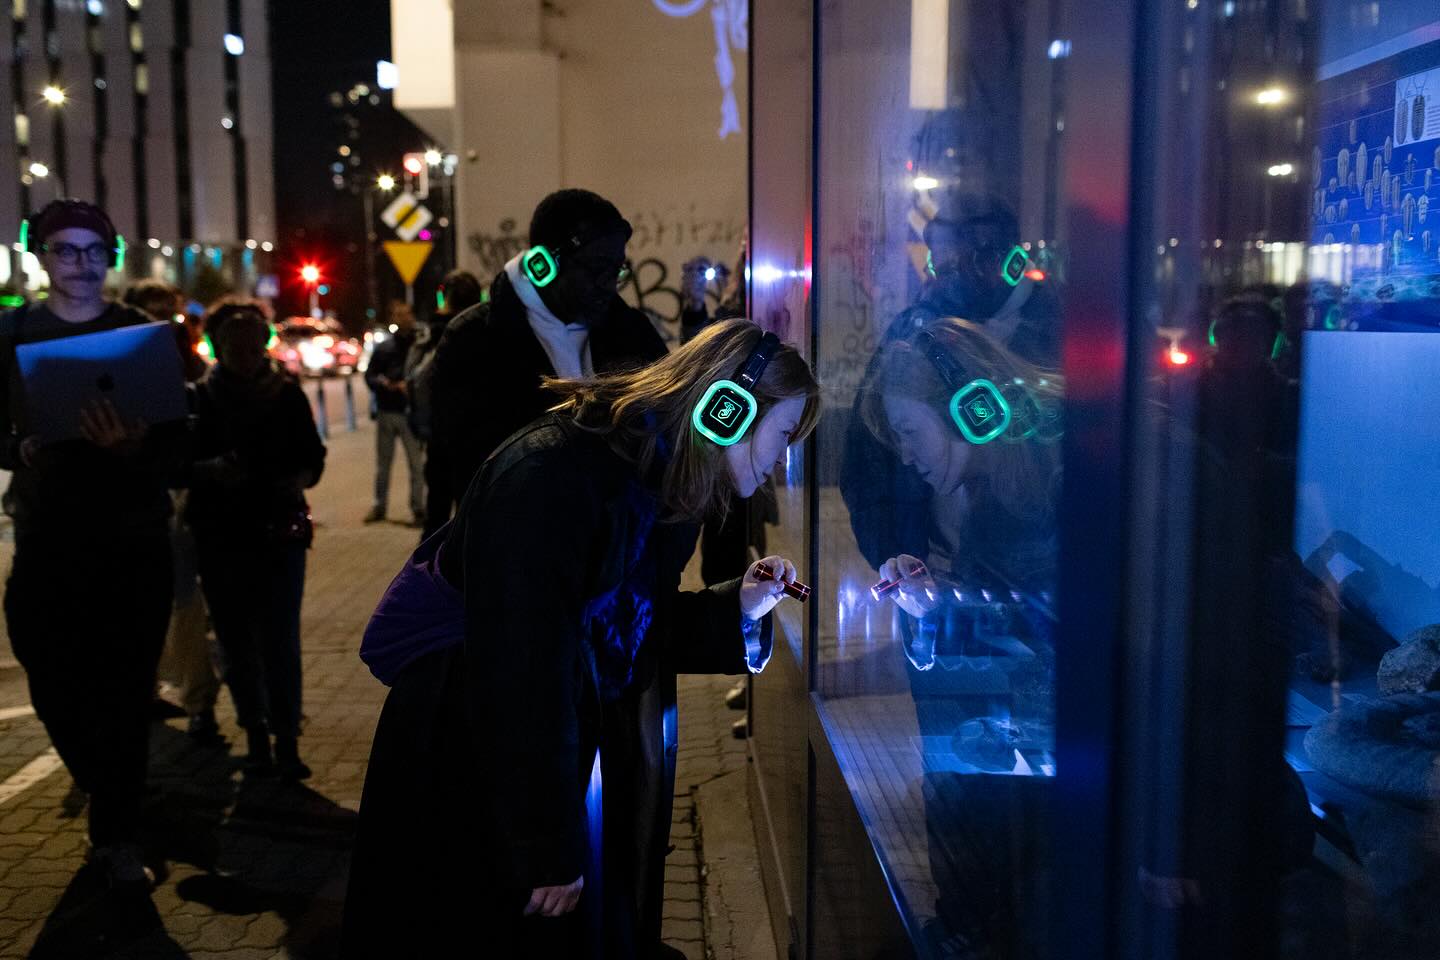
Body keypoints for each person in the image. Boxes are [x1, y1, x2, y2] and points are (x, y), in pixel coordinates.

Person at [342, 319, 821, 959]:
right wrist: (544, 841)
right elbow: (523, 670)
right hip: (471, 752)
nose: (782, 460)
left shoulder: (656, 477)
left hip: (539, 752)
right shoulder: (550, 476)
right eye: (783, 435)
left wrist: (736, 606)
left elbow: (624, 627)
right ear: (726, 409)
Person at [0, 198, 183, 888]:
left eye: (93, 250)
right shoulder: (11, 332)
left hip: (132, 540)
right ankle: (105, 783)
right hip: (47, 539)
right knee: (51, 678)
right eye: (65, 250)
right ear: (41, 255)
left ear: (111, 256)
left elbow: (178, 445)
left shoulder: (140, 332)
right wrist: (19, 448)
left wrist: (134, 447)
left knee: (125, 691)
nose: (80, 264)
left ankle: (117, 836)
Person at [428, 188, 668, 509]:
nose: (608, 284)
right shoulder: (472, 339)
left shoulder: (630, 330)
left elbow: (668, 433)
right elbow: (452, 459)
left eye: (616, 270)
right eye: (597, 268)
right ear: (543, 265)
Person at [184, 299, 326, 779]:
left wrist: (296, 479)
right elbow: (179, 465)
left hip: (277, 533)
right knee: (236, 640)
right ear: (219, 348)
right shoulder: (201, 400)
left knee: (279, 639)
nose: (245, 357)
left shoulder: (285, 395)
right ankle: (256, 735)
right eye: (234, 348)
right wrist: (213, 470)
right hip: (221, 537)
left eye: (252, 347)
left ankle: (286, 738)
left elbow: (313, 458)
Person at [124, 279, 223, 743]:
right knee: (141, 603)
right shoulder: (125, 353)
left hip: (177, 494)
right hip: (136, 496)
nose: (162, 318)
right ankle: (147, 690)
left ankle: (199, 700)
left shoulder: (184, 351)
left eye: (169, 309)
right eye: (153, 310)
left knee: (184, 601)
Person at [409, 269, 482, 541]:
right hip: (478, 438)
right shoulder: (488, 330)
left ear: (444, 296)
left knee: (436, 517)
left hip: (441, 437)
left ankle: (429, 566)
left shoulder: (435, 332)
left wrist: (422, 427)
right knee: (472, 518)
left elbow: (415, 379)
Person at [363, 300, 424, 526]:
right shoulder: (384, 348)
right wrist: (383, 384)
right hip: (387, 411)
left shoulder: (418, 345)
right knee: (383, 464)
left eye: (407, 314)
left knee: (416, 464)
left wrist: (411, 387)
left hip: (410, 413)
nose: (404, 318)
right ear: (393, 318)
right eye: (399, 314)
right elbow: (370, 375)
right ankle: (379, 506)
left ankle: (418, 509)